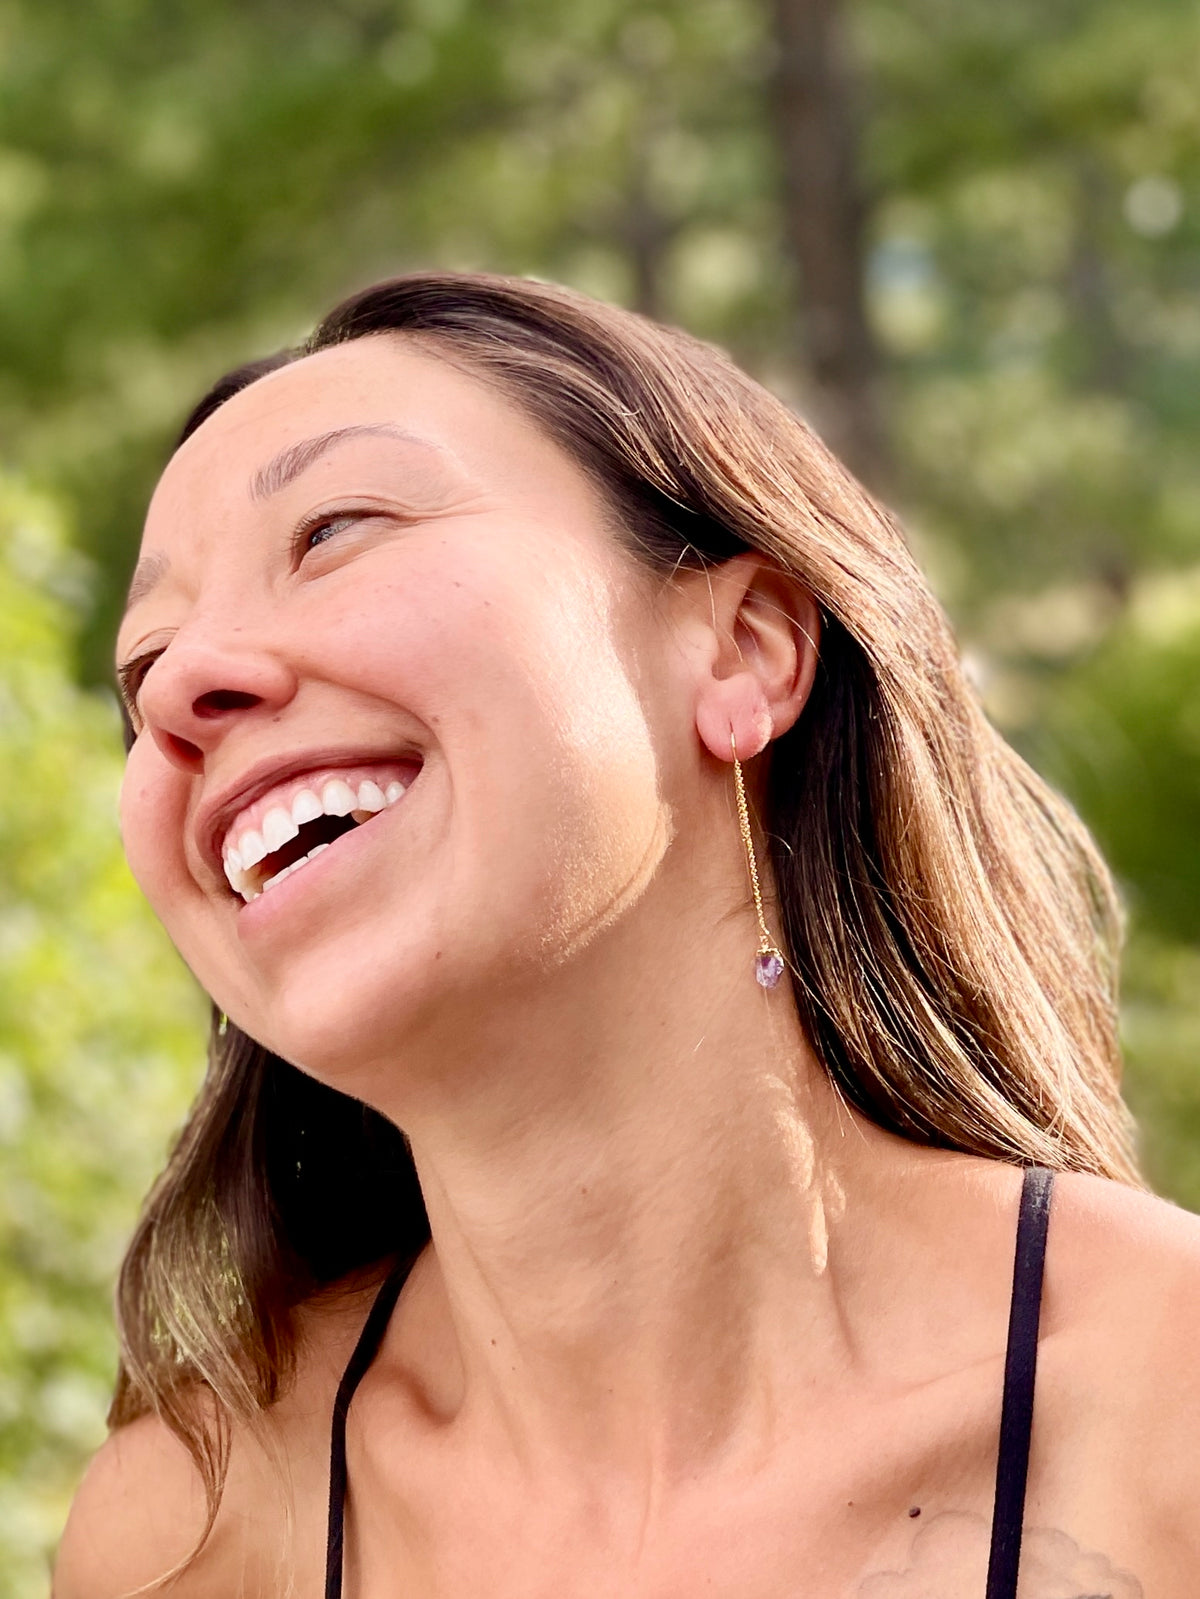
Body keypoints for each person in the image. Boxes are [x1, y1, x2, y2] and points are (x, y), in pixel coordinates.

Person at [54, 273, 1200, 1599]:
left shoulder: (1166, 1408)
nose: (188, 683)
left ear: (748, 650)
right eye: (143, 668)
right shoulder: (187, 1532)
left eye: (335, 530)